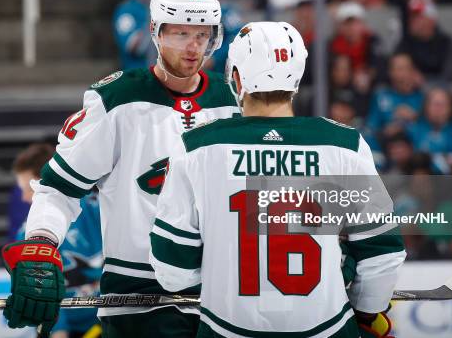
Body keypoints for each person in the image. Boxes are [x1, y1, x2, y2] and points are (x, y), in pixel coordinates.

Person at [1, 0, 238, 337]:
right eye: (180, 33)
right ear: (156, 32)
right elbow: (58, 189)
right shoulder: (116, 100)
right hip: (139, 296)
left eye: (202, 34)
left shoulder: (231, 100)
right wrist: (42, 241)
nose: (193, 46)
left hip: (221, 291)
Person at [149, 21, 405, 337]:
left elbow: (173, 271)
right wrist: (363, 307)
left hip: (226, 329)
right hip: (327, 329)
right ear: (297, 76)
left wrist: (221, 264)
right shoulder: (344, 145)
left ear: (237, 77)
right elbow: (383, 255)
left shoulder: (196, 147)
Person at [12, 143, 103, 338]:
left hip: (106, 320)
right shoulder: (27, 235)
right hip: (61, 328)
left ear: (45, 182)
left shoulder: (97, 209)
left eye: (27, 188)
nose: (24, 197)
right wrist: (57, 331)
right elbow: (39, 292)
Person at [394, 0, 452, 81]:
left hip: (439, 89)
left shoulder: (445, 43)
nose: (411, 21)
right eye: (411, 16)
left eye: (417, 17)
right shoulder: (405, 43)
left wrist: (424, 80)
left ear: (431, 20)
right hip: (410, 91)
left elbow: (449, 76)